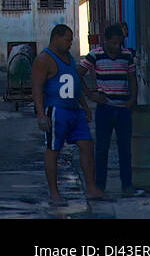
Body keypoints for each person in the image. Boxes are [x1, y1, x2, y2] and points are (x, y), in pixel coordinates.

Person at [31, 23, 104, 206]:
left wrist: (85, 106)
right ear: (56, 37)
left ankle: (91, 187)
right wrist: (41, 114)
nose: (70, 43)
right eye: (68, 39)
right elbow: (37, 88)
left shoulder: (69, 58)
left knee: (87, 145)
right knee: (53, 150)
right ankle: (54, 192)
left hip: (74, 111)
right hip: (56, 111)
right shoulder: (44, 59)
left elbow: (75, 84)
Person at [79, 22, 142, 196]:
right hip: (105, 108)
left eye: (119, 43)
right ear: (105, 41)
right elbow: (77, 74)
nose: (116, 47)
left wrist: (132, 99)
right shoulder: (95, 55)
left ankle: (127, 186)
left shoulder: (126, 55)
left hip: (123, 109)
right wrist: (90, 95)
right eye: (113, 43)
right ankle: (99, 186)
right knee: (101, 149)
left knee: (125, 150)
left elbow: (132, 78)